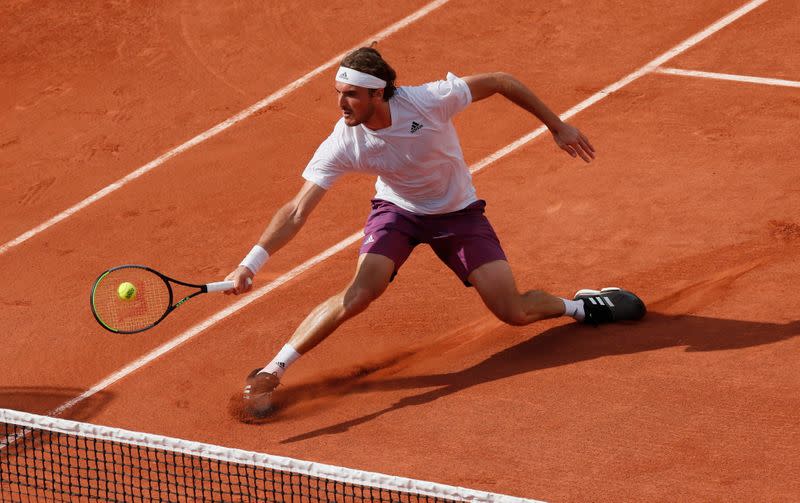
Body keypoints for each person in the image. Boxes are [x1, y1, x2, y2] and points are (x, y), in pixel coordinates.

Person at [224, 47, 645, 417]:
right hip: (398, 210)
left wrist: (557, 126)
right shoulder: (343, 142)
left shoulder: (428, 101)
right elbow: (297, 210)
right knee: (361, 290)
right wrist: (251, 262)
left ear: (378, 93)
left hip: (458, 214)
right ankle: (269, 371)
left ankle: (581, 307)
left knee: (512, 311)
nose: (341, 103)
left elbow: (500, 81)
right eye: (338, 92)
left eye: (351, 94)